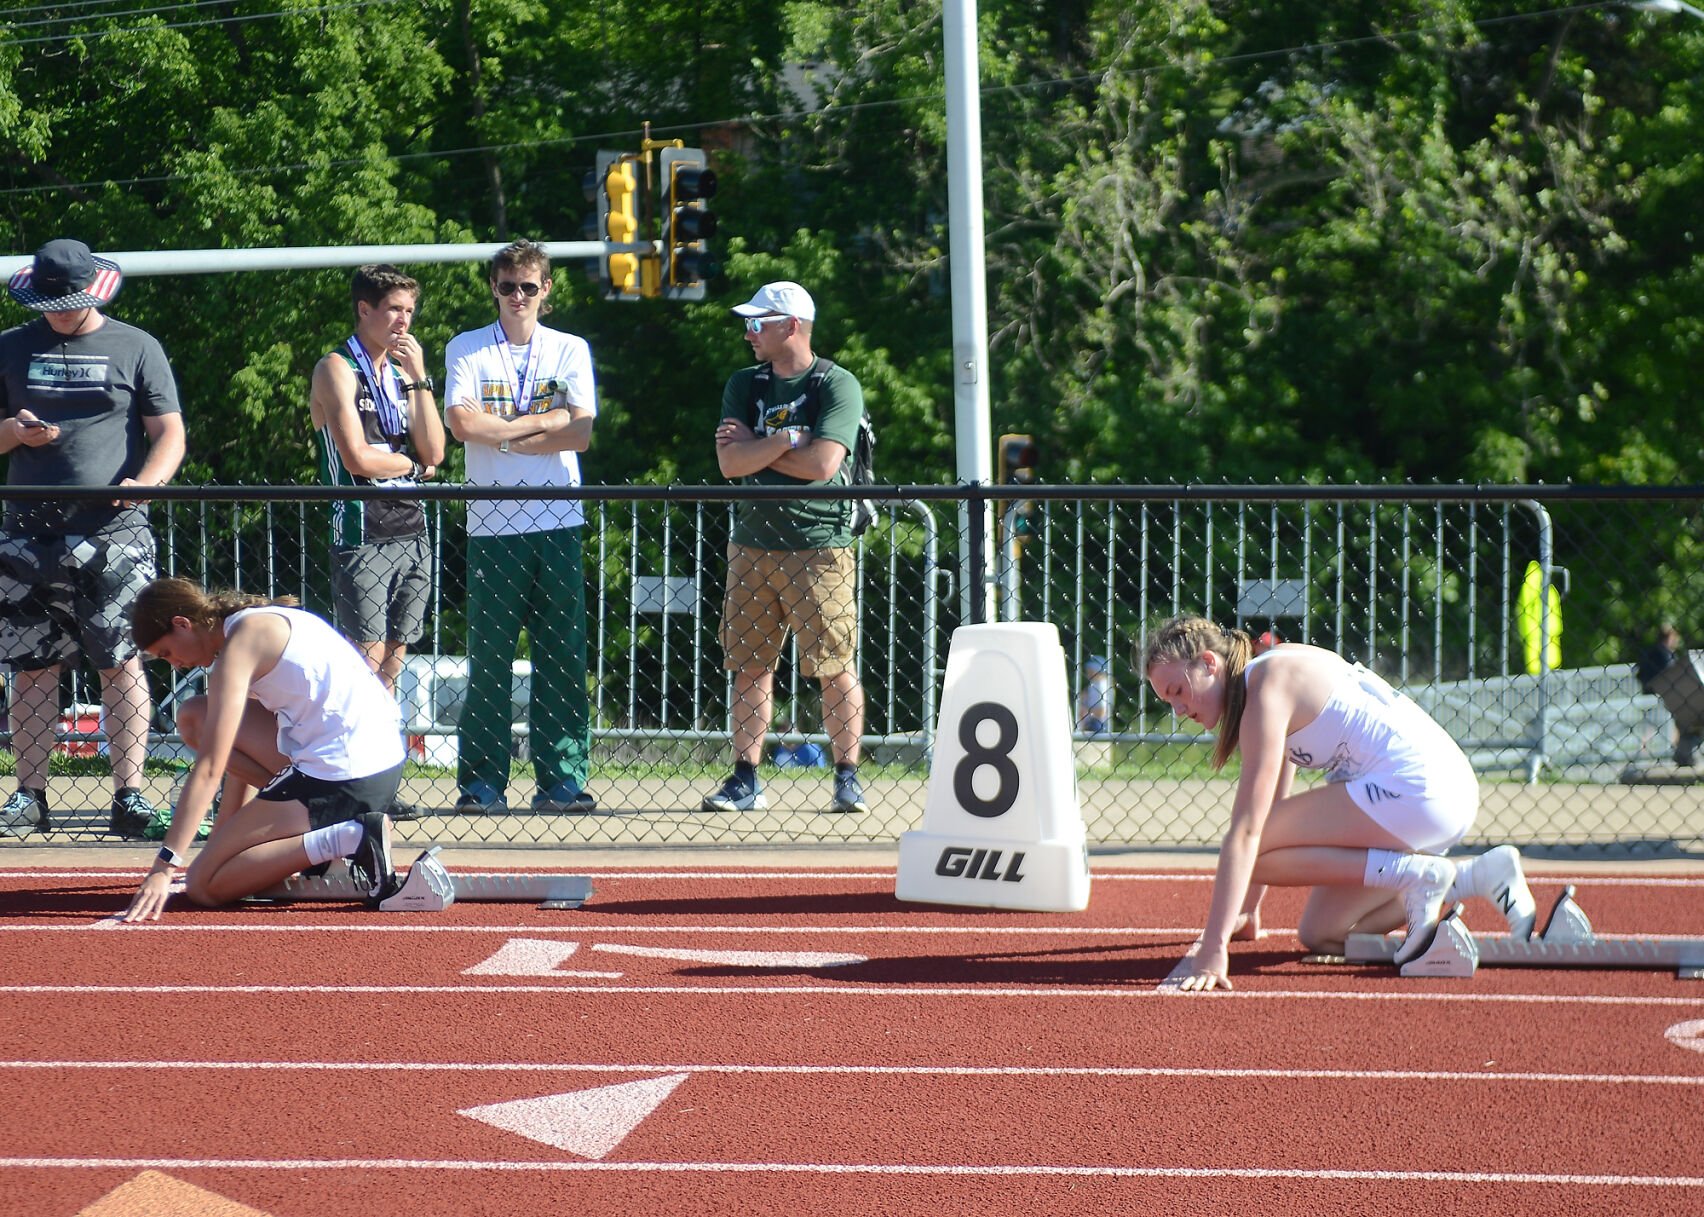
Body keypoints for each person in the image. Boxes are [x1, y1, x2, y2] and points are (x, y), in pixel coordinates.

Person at [1143, 616, 1538, 993]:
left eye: (1177, 690)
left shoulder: (1266, 686)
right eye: (1166, 700)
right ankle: (1473, 876)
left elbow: (1249, 830)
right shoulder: (1264, 680)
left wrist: (1214, 948)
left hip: (1420, 790)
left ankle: (1417, 874)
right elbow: (1275, 798)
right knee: (1322, 934)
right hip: (1436, 796)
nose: (1177, 710)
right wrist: (1246, 911)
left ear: (1209, 663)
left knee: (1250, 844)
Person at [0, 239, 186, 840]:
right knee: (31, 666)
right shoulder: (9, 346)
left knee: (122, 660)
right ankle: (30, 796)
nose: (57, 313)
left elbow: (170, 433)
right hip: (27, 531)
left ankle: (129, 796)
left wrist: (147, 484)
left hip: (114, 529)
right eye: (49, 302)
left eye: (68, 302)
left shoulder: (137, 345)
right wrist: (13, 432)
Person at [119, 577, 407, 920]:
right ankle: (320, 831)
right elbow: (233, 751)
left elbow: (211, 768)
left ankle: (351, 837)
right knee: (195, 714)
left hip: (346, 774)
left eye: (167, 652)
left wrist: (164, 867)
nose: (175, 664)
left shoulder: (239, 647)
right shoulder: (254, 621)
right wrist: (225, 841)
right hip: (376, 759)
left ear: (182, 624)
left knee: (204, 885)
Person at [702, 281, 870, 816]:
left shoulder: (834, 383)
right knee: (749, 665)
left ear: (790, 326)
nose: (749, 333)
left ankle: (847, 777)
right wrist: (783, 442)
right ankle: (745, 778)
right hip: (751, 543)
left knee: (834, 666)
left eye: (758, 323)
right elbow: (729, 465)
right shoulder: (744, 383)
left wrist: (756, 448)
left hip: (818, 545)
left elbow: (824, 467)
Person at [443, 239, 597, 815]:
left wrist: (505, 429)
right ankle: (482, 782)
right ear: (494, 288)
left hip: (558, 516)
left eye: (528, 287)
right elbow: (460, 422)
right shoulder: (467, 347)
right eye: (507, 286)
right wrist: (541, 424)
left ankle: (561, 779)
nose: (517, 297)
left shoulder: (570, 349)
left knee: (562, 655)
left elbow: (580, 431)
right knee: (490, 658)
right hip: (492, 523)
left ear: (546, 290)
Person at [309, 264, 445, 694]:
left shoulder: (404, 375)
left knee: (394, 662)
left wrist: (420, 378)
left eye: (409, 310)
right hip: (361, 526)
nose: (403, 321)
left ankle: (384, 756)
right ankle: (352, 757)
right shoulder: (337, 367)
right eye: (393, 310)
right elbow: (357, 459)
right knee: (363, 662)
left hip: (412, 525)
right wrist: (409, 464)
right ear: (364, 310)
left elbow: (436, 451)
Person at [1076, 654, 1113, 734]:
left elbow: (1101, 711)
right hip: (1091, 723)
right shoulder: (1094, 685)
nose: (1088, 672)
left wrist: (1086, 711)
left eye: (1091, 670)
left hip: (1096, 725)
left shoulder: (1101, 686)